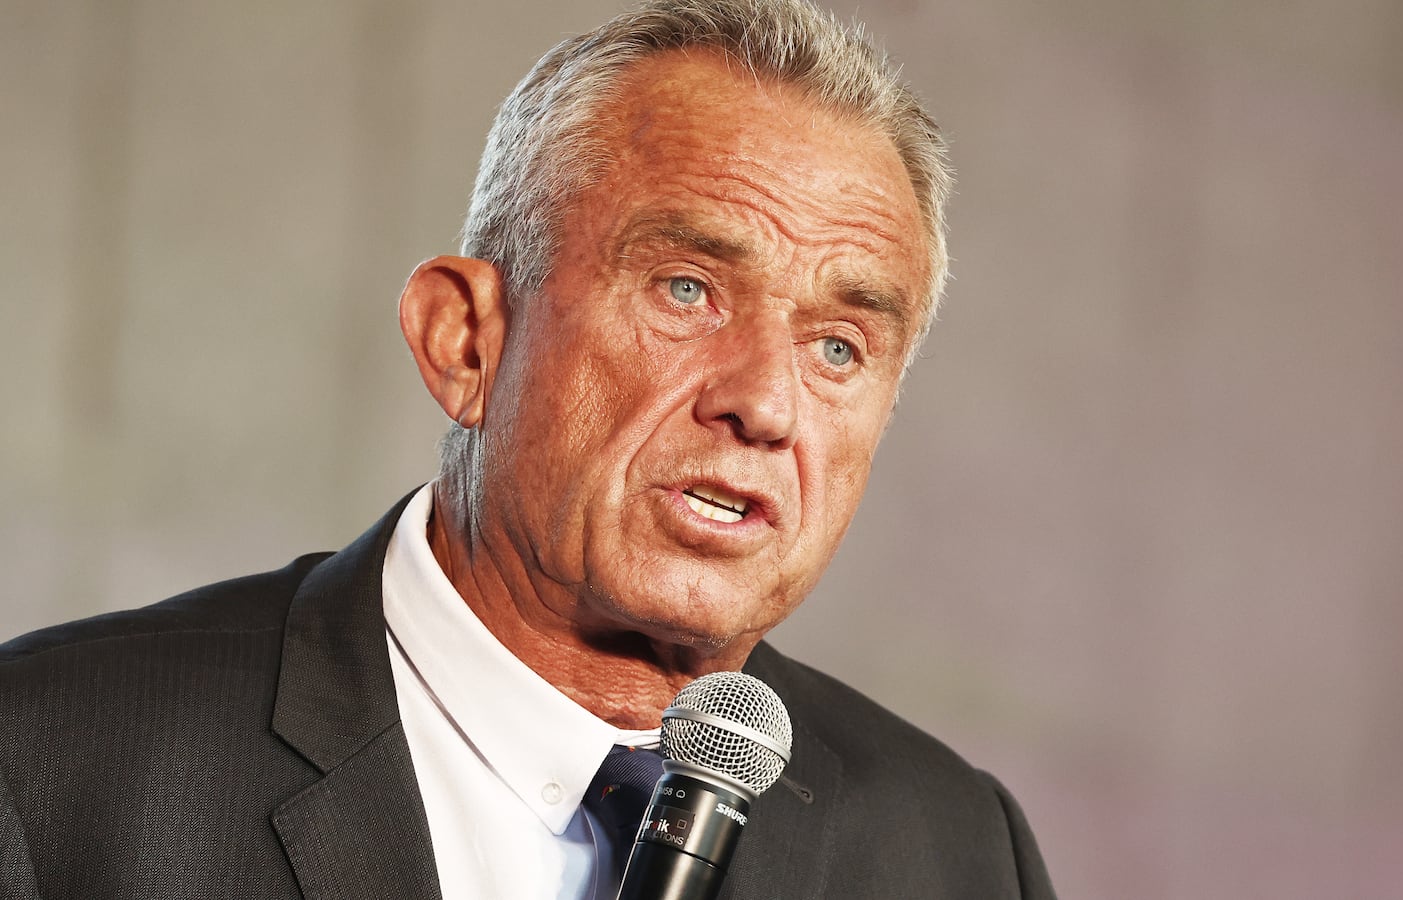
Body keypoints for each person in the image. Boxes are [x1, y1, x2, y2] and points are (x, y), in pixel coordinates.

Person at [0, 1, 1055, 897]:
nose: (766, 405)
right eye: (686, 290)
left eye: (838, 345)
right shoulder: (49, 765)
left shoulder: (954, 853)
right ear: (465, 341)